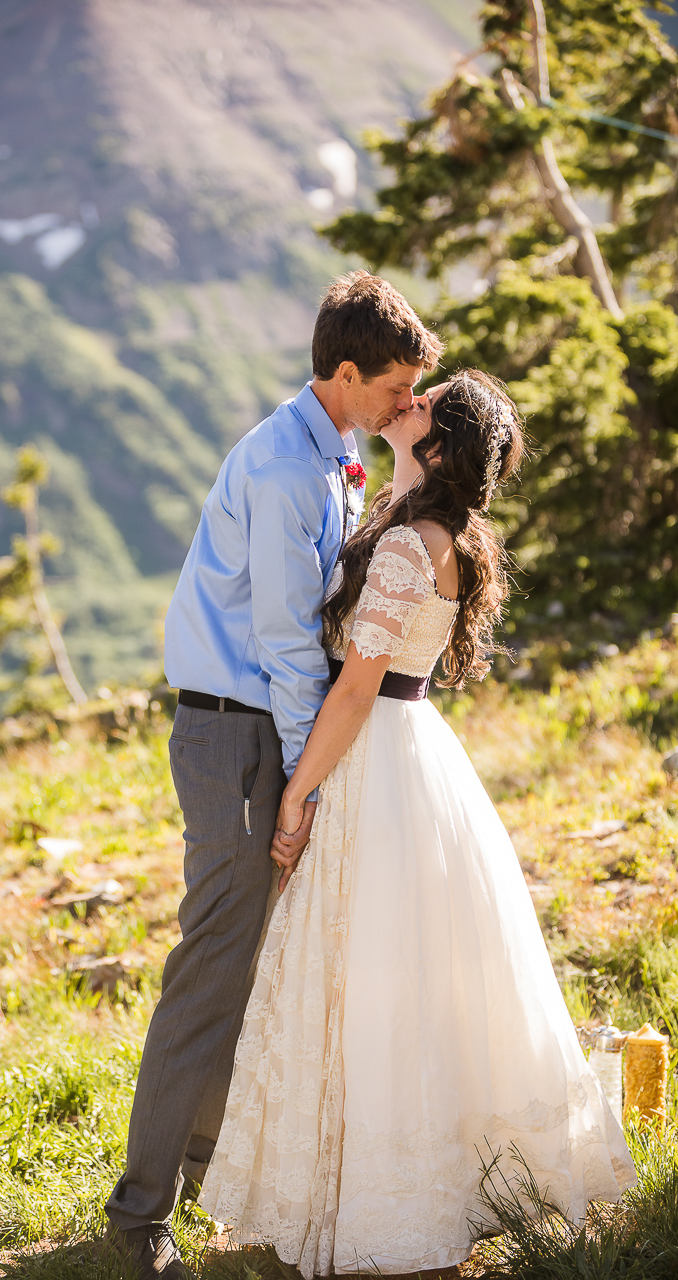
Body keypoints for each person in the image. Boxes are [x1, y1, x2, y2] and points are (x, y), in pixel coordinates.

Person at [200, 370, 637, 1277]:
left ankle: (389, 1195)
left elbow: (357, 686)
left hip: (376, 757)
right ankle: (378, 1178)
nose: (409, 400)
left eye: (425, 401)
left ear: (437, 444)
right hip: (411, 752)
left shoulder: (408, 546)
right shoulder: (416, 521)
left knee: (376, 970)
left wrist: (295, 792)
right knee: (395, 971)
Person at [102, 273, 444, 1279]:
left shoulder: (330, 449)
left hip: (265, 730)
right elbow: (288, 644)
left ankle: (210, 1172)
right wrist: (305, 780)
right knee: (212, 966)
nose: (402, 402)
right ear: (343, 372)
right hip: (240, 736)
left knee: (254, 969)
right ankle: (137, 1213)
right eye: (394, 386)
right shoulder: (286, 469)